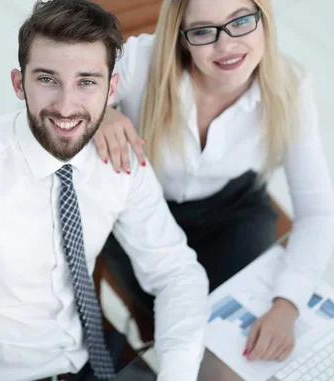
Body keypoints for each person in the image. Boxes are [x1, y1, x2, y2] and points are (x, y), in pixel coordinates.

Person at [0, 1, 209, 381]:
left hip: (89, 356)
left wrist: (176, 374)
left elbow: (177, 272)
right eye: (47, 80)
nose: (66, 106)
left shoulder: (119, 159)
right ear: (19, 83)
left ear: (111, 88)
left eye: (86, 82)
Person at [91, 0, 334, 364]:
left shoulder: (291, 87)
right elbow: (51, 90)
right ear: (181, 37)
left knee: (234, 351)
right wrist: (97, 113)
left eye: (241, 21)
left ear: (263, 19)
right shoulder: (142, 59)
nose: (227, 46)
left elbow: (318, 212)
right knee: (178, 333)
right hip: (141, 213)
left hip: (231, 214)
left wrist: (288, 304)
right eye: (203, 31)